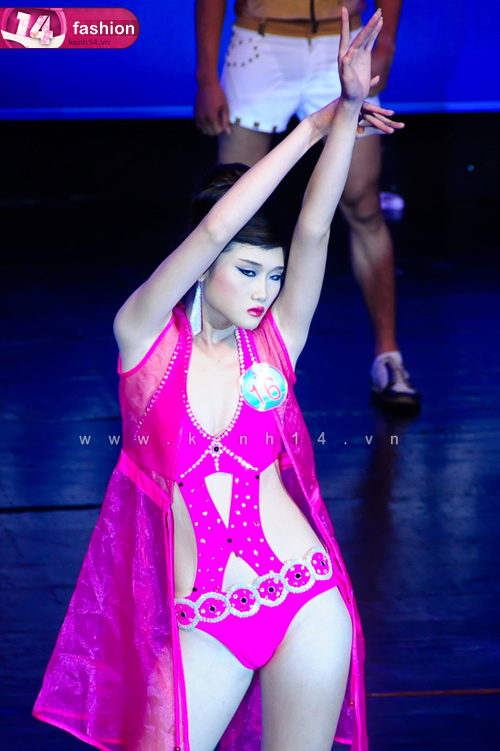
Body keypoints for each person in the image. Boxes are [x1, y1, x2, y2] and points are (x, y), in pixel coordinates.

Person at [34, 11, 402, 751]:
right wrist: (307, 130)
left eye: (273, 275)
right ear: (206, 268)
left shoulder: (277, 341)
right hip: (202, 615)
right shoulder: (143, 338)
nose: (265, 290)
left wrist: (345, 111)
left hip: (303, 592)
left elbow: (314, 228)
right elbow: (209, 232)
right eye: (247, 271)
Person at [194, 0, 420, 408]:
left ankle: (389, 357)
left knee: (363, 204)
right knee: (231, 209)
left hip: (343, 44)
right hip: (261, 40)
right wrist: (206, 75)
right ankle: (212, 358)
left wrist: (386, 41)